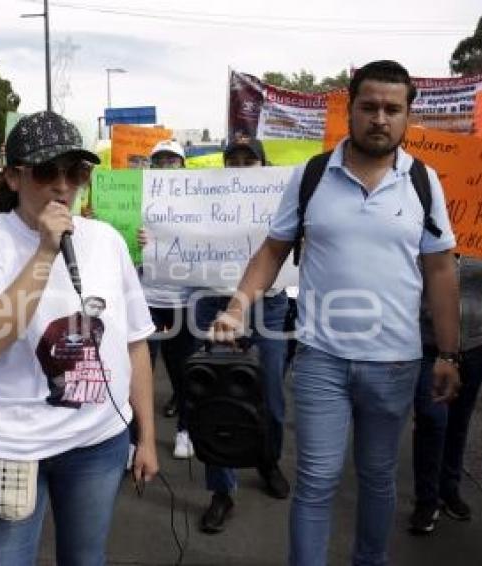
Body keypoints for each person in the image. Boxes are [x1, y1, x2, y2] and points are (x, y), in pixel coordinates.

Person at [211, 60, 460, 565]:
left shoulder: (423, 182)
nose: (380, 118)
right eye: (369, 107)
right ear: (351, 109)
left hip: (394, 363)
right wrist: (237, 309)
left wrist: (449, 354)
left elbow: (439, 271)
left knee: (376, 477)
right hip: (321, 359)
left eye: (393, 109)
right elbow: (272, 251)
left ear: (408, 115)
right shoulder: (313, 176)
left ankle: (370, 560)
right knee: (317, 479)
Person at [0, 110, 158, 565]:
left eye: (77, 171)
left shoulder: (107, 240)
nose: (63, 185)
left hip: (96, 443)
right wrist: (46, 250)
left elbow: (135, 342)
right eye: (47, 171)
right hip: (9, 445)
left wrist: (145, 437)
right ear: (13, 177)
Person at [195, 138, 291, 535]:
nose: (238, 166)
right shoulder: (201, 201)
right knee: (216, 396)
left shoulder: (282, 201)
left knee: (269, 392)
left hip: (267, 305)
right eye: (231, 159)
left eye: (247, 160)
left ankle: (267, 459)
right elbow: (172, 234)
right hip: (213, 299)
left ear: (264, 165)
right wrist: (153, 244)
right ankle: (222, 491)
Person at [409, 256, 482, 533]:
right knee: (431, 418)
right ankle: (426, 500)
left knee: (459, 420)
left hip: (475, 342)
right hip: (429, 341)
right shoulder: (429, 225)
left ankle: (449, 488)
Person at [140, 139, 198, 460]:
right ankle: (138, 437)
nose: (165, 165)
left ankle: (185, 429)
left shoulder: (197, 203)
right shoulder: (138, 200)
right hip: (145, 298)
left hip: (183, 300)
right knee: (140, 369)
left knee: (183, 369)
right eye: (159, 160)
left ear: (183, 166)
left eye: (172, 160)